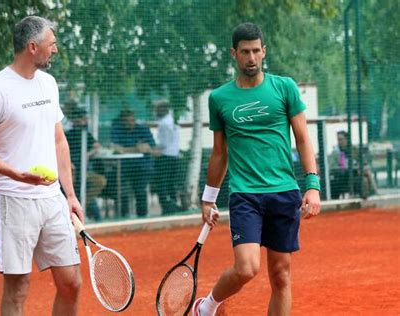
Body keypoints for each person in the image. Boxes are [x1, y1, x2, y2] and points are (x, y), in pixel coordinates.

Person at [192, 23, 321, 316]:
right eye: (245, 52)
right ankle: (208, 305)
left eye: (256, 51)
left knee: (281, 275)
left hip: (284, 192)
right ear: (234, 54)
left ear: (264, 51)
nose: (251, 57)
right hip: (245, 195)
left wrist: (312, 185)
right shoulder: (219, 98)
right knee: (247, 268)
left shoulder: (284, 87)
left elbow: (302, 138)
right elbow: (219, 153)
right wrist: (208, 199)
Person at [0, 16, 82, 315]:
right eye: (51, 44)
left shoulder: (49, 83)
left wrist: (70, 195)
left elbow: (58, 141)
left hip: (52, 199)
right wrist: (14, 172)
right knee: (18, 288)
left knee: (71, 283)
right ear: (32, 47)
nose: (54, 50)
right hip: (13, 200)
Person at [65, 101, 107, 222]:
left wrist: (87, 155)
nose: (84, 121)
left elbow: (96, 146)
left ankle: (81, 206)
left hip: (84, 172)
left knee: (100, 181)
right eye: (81, 119)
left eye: (84, 119)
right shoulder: (69, 134)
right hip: (71, 173)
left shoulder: (86, 134)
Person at [110, 108, 155, 217]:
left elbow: (149, 147)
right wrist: (136, 148)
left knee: (140, 191)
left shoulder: (143, 129)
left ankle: (142, 216)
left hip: (142, 166)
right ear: (121, 121)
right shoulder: (117, 129)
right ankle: (123, 215)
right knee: (122, 190)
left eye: (131, 120)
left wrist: (125, 149)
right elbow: (115, 148)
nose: (129, 123)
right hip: (124, 166)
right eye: (126, 121)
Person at [152, 99, 182, 215]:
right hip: (174, 156)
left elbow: (163, 143)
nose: (155, 111)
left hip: (165, 157)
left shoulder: (164, 124)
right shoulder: (172, 121)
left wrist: (152, 148)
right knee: (171, 183)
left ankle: (166, 208)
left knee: (162, 184)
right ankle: (173, 205)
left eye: (157, 109)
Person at [329, 130, 377, 199]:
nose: (339, 142)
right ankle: (374, 191)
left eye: (341, 139)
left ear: (346, 139)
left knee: (365, 173)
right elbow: (332, 167)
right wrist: (341, 167)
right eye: (338, 140)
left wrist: (359, 167)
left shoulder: (354, 150)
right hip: (342, 177)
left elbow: (363, 162)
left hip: (354, 174)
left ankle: (372, 192)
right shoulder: (335, 152)